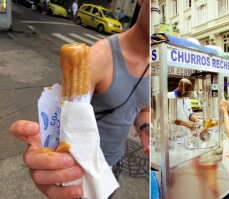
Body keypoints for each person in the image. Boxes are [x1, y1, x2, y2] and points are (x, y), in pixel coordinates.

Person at [10, 0, 150, 198]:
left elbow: (142, 109)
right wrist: (48, 148)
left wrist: (146, 129)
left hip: (117, 160)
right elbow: (67, 117)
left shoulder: (158, 65)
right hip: (82, 165)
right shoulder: (99, 57)